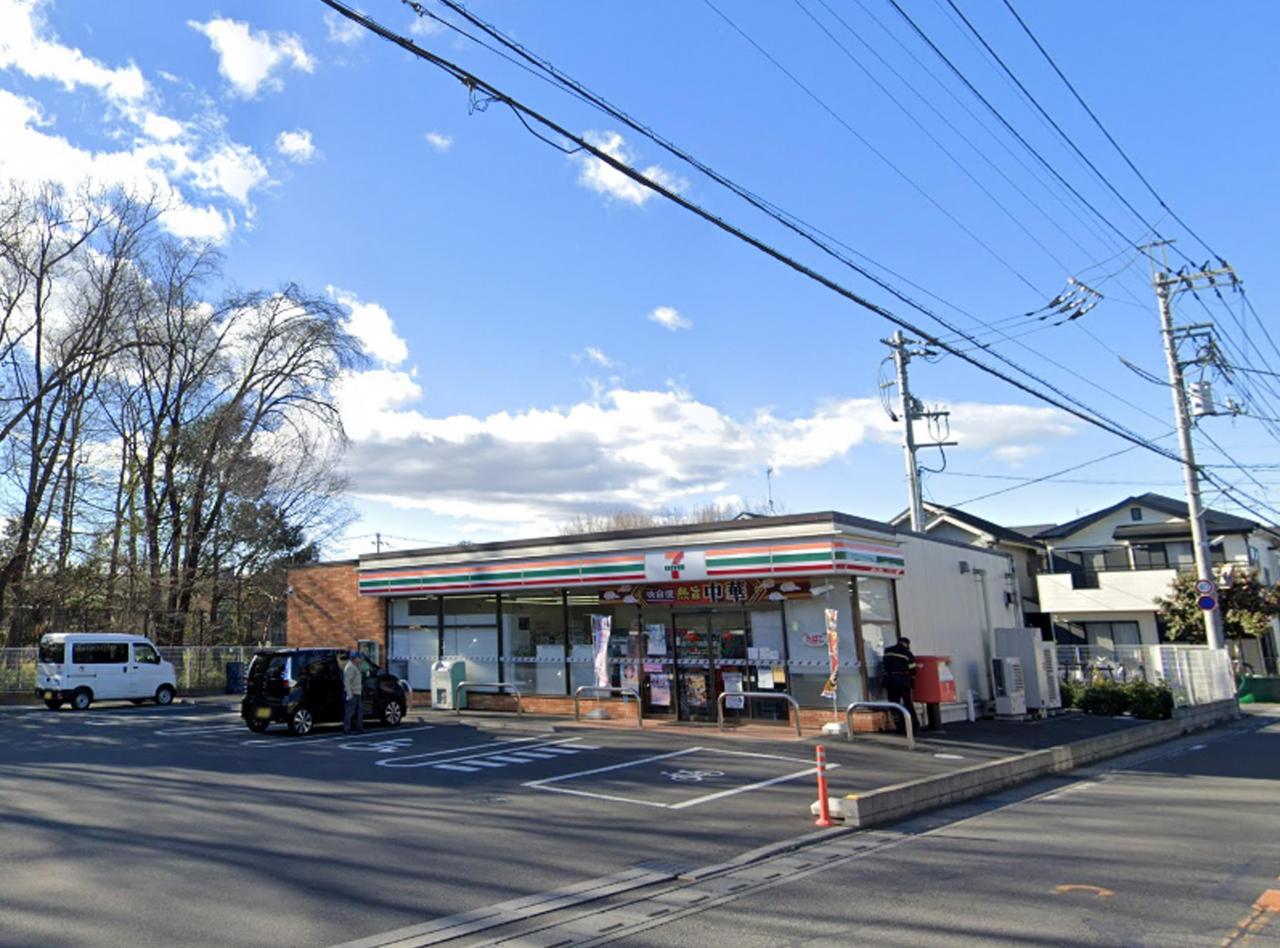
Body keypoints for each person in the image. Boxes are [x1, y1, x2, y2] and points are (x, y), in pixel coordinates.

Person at [881, 636, 920, 734]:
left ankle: (899, 725)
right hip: (902, 680)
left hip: (889, 680)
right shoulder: (907, 653)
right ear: (906, 644)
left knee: (894, 704)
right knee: (908, 703)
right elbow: (913, 670)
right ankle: (914, 726)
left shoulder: (887, 650)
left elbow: (885, 664)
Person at [342, 650, 364, 734]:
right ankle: (347, 729)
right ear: (354, 658)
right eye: (359, 658)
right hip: (352, 693)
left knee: (359, 712)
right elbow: (347, 682)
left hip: (357, 692)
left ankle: (360, 728)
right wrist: (349, 694)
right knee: (349, 712)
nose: (360, 660)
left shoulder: (356, 666)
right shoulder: (350, 667)